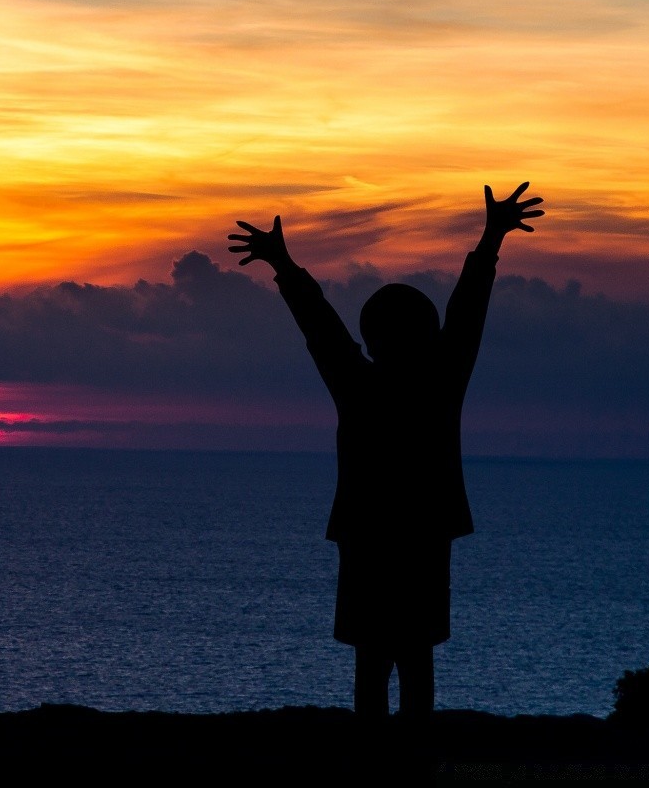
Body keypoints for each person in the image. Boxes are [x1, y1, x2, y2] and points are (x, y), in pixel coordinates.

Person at [229, 183, 543, 719]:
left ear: (372, 339)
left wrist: (283, 265)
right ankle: (410, 761)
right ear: (429, 333)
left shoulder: (360, 384)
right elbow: (467, 316)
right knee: (414, 661)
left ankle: (375, 762)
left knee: (372, 663)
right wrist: (491, 239)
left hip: (371, 534)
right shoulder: (439, 382)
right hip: (418, 532)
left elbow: (321, 328)